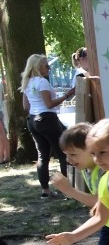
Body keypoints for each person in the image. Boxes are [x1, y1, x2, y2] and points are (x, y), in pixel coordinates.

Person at [20, 54, 73, 198]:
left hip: (32, 120)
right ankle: (67, 190)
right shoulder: (42, 82)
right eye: (46, 66)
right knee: (63, 153)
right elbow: (49, 104)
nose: (49, 68)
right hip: (47, 119)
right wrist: (67, 96)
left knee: (43, 156)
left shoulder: (27, 82)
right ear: (38, 67)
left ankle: (45, 191)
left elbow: (25, 106)